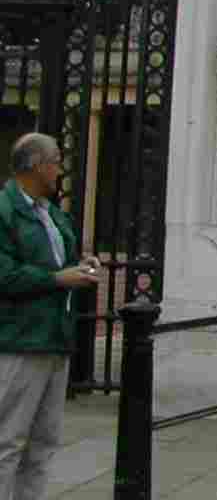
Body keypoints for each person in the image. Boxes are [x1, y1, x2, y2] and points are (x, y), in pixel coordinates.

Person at [0, 133, 101, 500]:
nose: (60, 168)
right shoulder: (5, 211)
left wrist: (82, 266)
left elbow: (63, 262)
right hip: (20, 339)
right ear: (36, 165)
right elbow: (5, 275)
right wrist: (57, 279)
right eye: (56, 160)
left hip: (56, 337)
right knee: (7, 439)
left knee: (44, 441)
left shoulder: (51, 212)